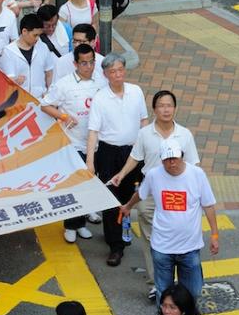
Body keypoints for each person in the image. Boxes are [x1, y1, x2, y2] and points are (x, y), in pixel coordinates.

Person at [110, 90, 200, 300]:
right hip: (150, 194)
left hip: (177, 194)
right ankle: (157, 282)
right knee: (152, 239)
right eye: (161, 105)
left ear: (174, 108)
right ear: (155, 109)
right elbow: (135, 157)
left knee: (177, 237)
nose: (166, 109)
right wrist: (121, 174)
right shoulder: (145, 133)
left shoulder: (185, 134)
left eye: (169, 105)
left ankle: (181, 282)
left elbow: (194, 165)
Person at [121, 142, 218, 302]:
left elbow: (208, 205)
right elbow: (141, 194)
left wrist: (214, 235)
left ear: (182, 156)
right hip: (162, 247)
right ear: (161, 159)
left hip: (190, 247)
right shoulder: (154, 175)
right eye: (167, 159)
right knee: (163, 293)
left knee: (192, 292)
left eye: (174, 158)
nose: (171, 163)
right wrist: (128, 206)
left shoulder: (197, 174)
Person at [86, 52, 148, 267]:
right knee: (111, 199)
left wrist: (146, 149)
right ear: (105, 74)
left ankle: (124, 231)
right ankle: (115, 246)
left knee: (129, 196)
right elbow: (93, 131)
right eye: (113, 72)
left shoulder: (136, 92)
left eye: (120, 70)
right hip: (108, 153)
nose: (118, 74)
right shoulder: (100, 98)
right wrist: (90, 161)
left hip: (132, 153)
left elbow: (143, 120)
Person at [41, 43, 106, 243]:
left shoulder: (101, 82)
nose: (88, 67)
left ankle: (81, 223)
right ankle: (71, 225)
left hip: (95, 142)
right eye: (83, 63)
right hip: (73, 142)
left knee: (89, 183)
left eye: (91, 62)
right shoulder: (64, 84)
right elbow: (45, 104)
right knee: (74, 185)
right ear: (75, 63)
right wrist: (63, 116)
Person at [0, 13, 54, 97]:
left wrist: (50, 93)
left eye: (39, 35)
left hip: (40, 101)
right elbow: (8, 79)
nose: (37, 38)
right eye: (35, 35)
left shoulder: (43, 47)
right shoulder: (9, 51)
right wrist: (16, 80)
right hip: (19, 101)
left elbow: (49, 73)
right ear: (24, 31)